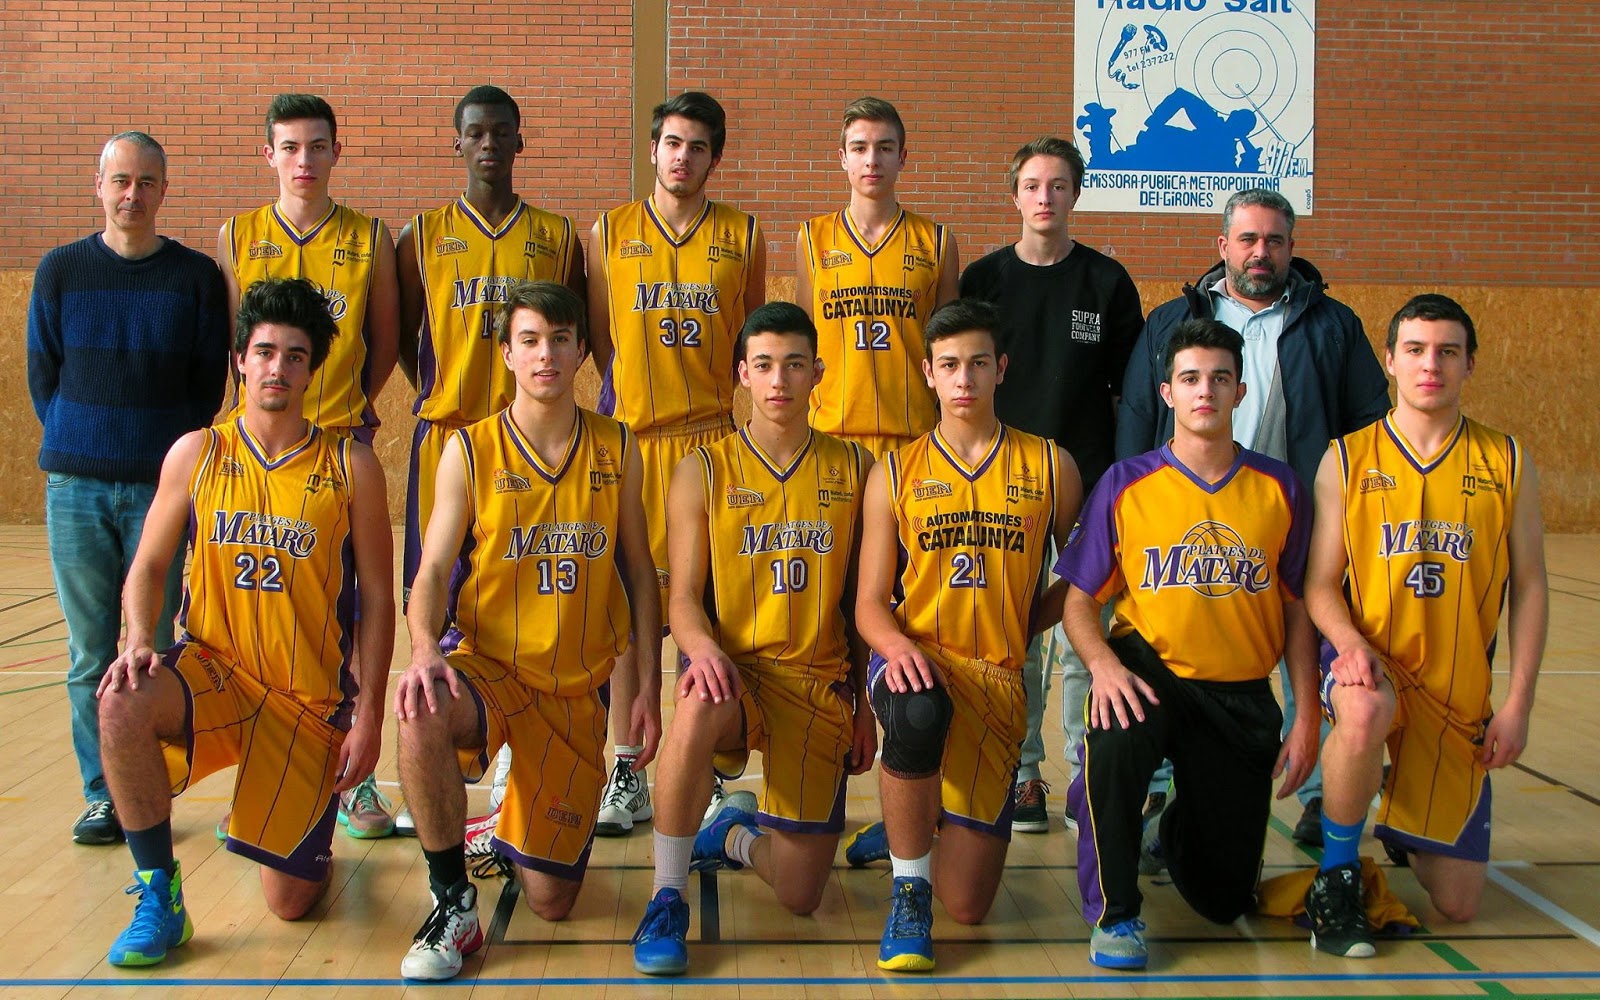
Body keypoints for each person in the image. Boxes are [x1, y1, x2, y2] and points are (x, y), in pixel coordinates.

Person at [94, 276, 394, 966]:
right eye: (264, 351)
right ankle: (158, 893)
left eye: (295, 355)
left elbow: (379, 598)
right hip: (214, 673)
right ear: (240, 360)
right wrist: (137, 640)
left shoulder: (351, 466)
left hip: (305, 700)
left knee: (289, 903)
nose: (277, 367)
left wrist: (371, 712)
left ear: (311, 371)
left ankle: (291, 825)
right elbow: (148, 565)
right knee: (120, 700)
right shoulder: (198, 452)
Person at [395, 280, 659, 981]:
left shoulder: (617, 446)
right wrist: (422, 650)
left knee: (553, 902)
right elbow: (431, 572)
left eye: (560, 340)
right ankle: (452, 900)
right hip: (491, 669)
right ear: (508, 353)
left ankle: (505, 826)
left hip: (575, 692)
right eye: (531, 340)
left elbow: (640, 572)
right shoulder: (470, 449)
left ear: (581, 351)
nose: (546, 355)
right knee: (421, 708)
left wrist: (647, 692)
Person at [1117, 187, 1389, 843]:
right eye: (1247, 239)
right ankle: (1157, 792)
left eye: (1274, 240)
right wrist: (1130, 509)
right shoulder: (1172, 320)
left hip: (1294, 520)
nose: (1260, 252)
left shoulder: (1332, 325)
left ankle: (1320, 796)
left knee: (1308, 650)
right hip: (1184, 523)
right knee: (1168, 653)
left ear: (1292, 247)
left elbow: (1368, 424)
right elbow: (1137, 414)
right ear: (1223, 246)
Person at [1057, 318, 1318, 970]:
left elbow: (1298, 611)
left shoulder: (1281, 488)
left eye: (1220, 379)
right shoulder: (1127, 483)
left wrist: (1308, 714)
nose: (1206, 391)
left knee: (1223, 898)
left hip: (1238, 690)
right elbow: (1078, 602)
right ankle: (1116, 913)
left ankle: (1166, 829)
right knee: (1114, 739)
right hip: (1146, 668)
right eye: (1191, 378)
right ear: (1167, 392)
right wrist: (1103, 665)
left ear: (1240, 392)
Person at [630, 302, 874, 976]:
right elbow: (682, 597)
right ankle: (667, 894)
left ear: (818, 372)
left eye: (794, 365)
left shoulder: (855, 468)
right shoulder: (702, 469)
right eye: (764, 365)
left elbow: (860, 603)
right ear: (742, 373)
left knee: (801, 894)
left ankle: (731, 835)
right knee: (696, 700)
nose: (779, 380)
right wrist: (703, 649)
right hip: (736, 676)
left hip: (818, 683)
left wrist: (864, 707)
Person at [1302, 294, 1547, 958]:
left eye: (1447, 352)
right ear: (1389, 361)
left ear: (1470, 364)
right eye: (1414, 350)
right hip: (1372, 661)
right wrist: (1348, 644)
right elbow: (1319, 584)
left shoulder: (1506, 461)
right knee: (1360, 710)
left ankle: (1401, 824)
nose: (1430, 365)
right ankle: (1337, 876)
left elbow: (1530, 586)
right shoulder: (1347, 458)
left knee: (1457, 905)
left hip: (1454, 686)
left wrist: (1519, 704)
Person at [853, 299, 1081, 972]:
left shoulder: (1051, 466)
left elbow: (1083, 577)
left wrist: (1027, 620)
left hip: (1000, 678)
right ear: (928, 372)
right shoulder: (895, 471)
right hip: (918, 661)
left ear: (1001, 368)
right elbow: (869, 605)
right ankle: (908, 891)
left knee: (971, 904)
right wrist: (898, 648)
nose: (964, 379)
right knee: (917, 712)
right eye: (949, 365)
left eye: (978, 363)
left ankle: (910, 825)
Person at [28, 131, 230, 847]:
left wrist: (165, 458)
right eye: (120, 180)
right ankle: (102, 795)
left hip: (159, 494)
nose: (132, 195)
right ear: (99, 185)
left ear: (164, 190)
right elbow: (43, 376)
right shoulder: (60, 271)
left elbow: (207, 386)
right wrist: (82, 438)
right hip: (75, 487)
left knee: (157, 647)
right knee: (90, 653)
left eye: (146, 182)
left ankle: (153, 789)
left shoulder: (195, 277)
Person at [397, 84, 585, 836]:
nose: (488, 144)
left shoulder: (557, 235)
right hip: (451, 435)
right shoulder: (421, 235)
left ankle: (518, 757)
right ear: (458, 142)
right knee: (439, 596)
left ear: (519, 142)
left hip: (532, 446)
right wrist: (442, 395)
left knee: (529, 595)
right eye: (475, 132)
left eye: (501, 132)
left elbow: (573, 332)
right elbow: (403, 338)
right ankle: (443, 759)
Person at [218, 93, 401, 838]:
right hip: (261, 454)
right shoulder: (238, 235)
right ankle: (257, 762)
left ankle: (354, 774)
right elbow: (236, 343)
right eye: (290, 147)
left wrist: (348, 407)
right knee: (264, 612)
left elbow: (385, 341)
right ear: (269, 155)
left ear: (335, 152)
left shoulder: (370, 237)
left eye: (317, 146)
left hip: (337, 444)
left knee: (348, 609)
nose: (304, 160)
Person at [588, 90, 766, 837]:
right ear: (654, 149)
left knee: (712, 612)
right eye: (672, 143)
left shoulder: (744, 234)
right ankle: (627, 767)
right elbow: (604, 342)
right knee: (629, 618)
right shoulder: (609, 232)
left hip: (710, 441)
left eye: (697, 146)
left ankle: (715, 772)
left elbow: (748, 342)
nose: (682, 156)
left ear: (714, 158)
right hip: (635, 442)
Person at [959, 136, 1143, 832]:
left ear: (1075, 194)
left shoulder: (1107, 281)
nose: (1045, 198)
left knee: (1080, 631)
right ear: (1015, 195)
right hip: (1002, 483)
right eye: (1033, 185)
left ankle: (1082, 766)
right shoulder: (984, 278)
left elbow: (1129, 394)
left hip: (1086, 482)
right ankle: (1024, 774)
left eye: (1058, 185)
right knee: (1016, 633)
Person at [796, 96, 959, 461]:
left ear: (902, 157)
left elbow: (950, 350)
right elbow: (804, 341)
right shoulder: (812, 238)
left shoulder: (936, 241)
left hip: (912, 434)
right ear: (843, 158)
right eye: (859, 148)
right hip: (830, 434)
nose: (872, 160)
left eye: (885, 148)